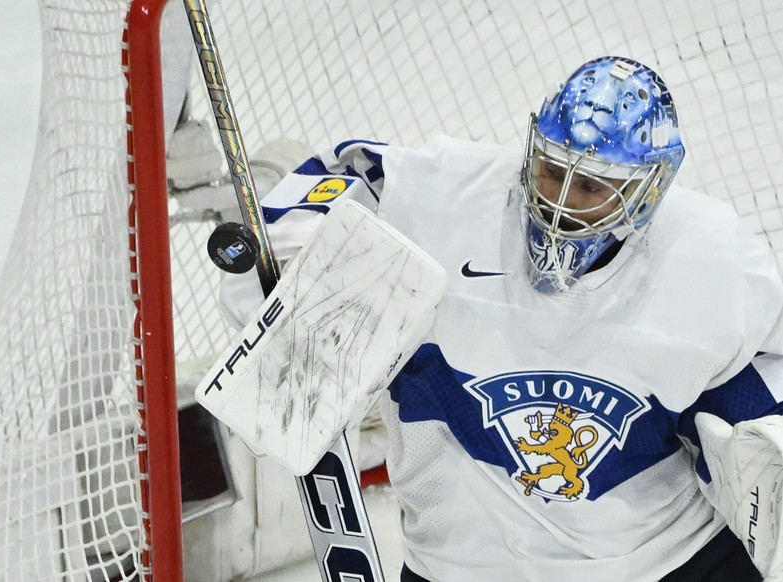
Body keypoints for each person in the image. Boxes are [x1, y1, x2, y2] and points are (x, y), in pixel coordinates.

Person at [219, 55, 783, 581]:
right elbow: (338, 179)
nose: (560, 202)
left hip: (656, 562)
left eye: (590, 186)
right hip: (460, 564)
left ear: (648, 191)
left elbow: (759, 409)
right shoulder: (444, 196)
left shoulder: (714, 265)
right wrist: (290, 261)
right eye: (551, 171)